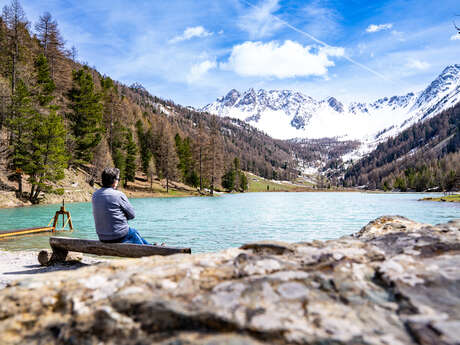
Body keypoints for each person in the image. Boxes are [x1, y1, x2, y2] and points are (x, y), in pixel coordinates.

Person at [92, 167, 150, 245]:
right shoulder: (118, 195)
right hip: (119, 236)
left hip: (102, 237)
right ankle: (153, 249)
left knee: (133, 233)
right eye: (118, 179)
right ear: (114, 180)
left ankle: (152, 246)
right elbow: (132, 215)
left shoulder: (95, 195)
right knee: (133, 233)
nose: (118, 181)